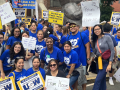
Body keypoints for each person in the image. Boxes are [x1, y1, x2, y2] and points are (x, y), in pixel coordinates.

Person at [67, 22, 90, 90]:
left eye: (74, 26)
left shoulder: (82, 35)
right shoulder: (68, 37)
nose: (72, 27)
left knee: (83, 76)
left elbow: (87, 47)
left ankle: (84, 89)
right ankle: (76, 89)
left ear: (77, 27)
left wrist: (88, 58)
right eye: (70, 27)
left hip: (82, 60)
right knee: (74, 76)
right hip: (72, 61)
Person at [92, 24, 114, 90]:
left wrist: (110, 64)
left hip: (106, 62)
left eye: (98, 29)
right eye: (95, 29)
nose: (96, 30)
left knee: (97, 80)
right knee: (102, 80)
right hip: (98, 62)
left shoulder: (107, 37)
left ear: (101, 29)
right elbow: (95, 52)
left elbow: (112, 51)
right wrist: (92, 44)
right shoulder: (95, 39)